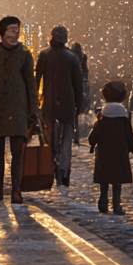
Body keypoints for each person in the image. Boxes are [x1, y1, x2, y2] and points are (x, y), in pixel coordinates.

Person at [0, 16, 39, 204]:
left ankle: (16, 190)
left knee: (18, 152)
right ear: (3, 33)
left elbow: (31, 84)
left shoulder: (24, 54)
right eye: (12, 30)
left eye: (17, 30)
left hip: (19, 109)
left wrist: (33, 112)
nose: (15, 34)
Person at [35, 25, 86, 187]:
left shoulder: (44, 55)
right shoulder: (71, 58)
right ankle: (64, 170)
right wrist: (79, 103)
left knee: (49, 135)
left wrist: (34, 101)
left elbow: (37, 80)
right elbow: (78, 83)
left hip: (49, 102)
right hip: (67, 102)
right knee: (67, 138)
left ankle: (51, 162)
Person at [88, 80, 133, 215]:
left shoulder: (102, 116)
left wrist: (92, 142)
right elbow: (129, 135)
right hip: (120, 154)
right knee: (117, 182)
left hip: (104, 154)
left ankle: (103, 202)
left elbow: (94, 136)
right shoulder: (124, 117)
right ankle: (117, 205)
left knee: (104, 181)